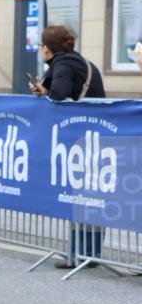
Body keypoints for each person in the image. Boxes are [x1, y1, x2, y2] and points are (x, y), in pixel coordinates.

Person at [30, 25, 107, 269]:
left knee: (82, 193)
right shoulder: (79, 61)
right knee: (91, 194)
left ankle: (78, 254)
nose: (40, 50)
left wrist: (46, 91)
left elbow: (60, 94)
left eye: (41, 46)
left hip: (81, 136)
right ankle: (89, 254)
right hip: (97, 134)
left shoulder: (63, 64)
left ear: (47, 48)